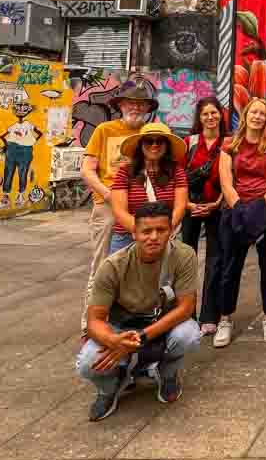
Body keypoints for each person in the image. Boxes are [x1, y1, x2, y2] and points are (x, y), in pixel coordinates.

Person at [77, 202, 201, 421]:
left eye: (161, 230)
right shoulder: (112, 266)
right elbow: (94, 320)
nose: (153, 237)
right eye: (146, 231)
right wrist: (114, 341)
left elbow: (186, 308)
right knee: (87, 363)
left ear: (171, 232)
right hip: (122, 325)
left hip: (160, 322)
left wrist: (142, 337)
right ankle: (109, 389)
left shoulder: (184, 255)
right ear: (134, 233)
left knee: (189, 335)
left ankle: (168, 374)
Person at [79, 80, 158, 331]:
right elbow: (87, 170)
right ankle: (90, 323)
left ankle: (128, 321)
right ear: (121, 105)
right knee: (103, 265)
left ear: (146, 108)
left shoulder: (150, 134)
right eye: (130, 103)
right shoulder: (105, 130)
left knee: (139, 267)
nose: (135, 107)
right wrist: (107, 193)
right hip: (107, 205)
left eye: (140, 103)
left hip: (140, 207)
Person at [214, 97, 266, 348]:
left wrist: (257, 208)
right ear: (245, 115)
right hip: (235, 210)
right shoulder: (229, 145)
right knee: (230, 268)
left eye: (262, 114)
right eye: (254, 112)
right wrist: (239, 208)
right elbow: (226, 181)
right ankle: (225, 317)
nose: (257, 117)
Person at [108, 122, 189, 254]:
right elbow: (119, 211)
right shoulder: (125, 171)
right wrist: (142, 232)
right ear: (140, 145)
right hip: (128, 236)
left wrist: (162, 233)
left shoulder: (176, 171)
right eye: (148, 141)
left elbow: (180, 206)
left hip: (165, 236)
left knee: (164, 274)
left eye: (160, 141)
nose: (154, 145)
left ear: (166, 146)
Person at [182, 98, 226, 335]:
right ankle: (187, 313)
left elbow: (231, 178)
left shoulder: (227, 143)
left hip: (216, 208)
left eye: (214, 112)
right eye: (206, 114)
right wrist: (188, 205)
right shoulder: (189, 143)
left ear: (221, 115)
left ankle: (210, 315)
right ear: (199, 118)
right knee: (187, 259)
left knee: (215, 260)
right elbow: (178, 177)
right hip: (191, 207)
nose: (211, 117)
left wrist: (216, 203)